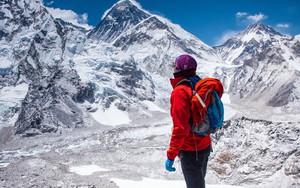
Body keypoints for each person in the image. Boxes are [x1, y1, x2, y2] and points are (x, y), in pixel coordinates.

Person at [165, 54, 211, 188]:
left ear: (179, 69)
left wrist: (171, 155)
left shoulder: (180, 92)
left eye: (174, 66)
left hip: (191, 150)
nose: (173, 69)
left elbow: (180, 128)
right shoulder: (199, 86)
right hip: (205, 146)